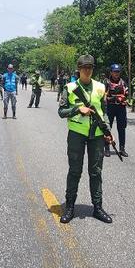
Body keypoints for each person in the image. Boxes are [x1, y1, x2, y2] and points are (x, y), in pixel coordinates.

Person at [58, 55, 114, 224]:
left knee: (96, 171)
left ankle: (97, 207)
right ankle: (69, 207)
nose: (87, 70)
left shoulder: (100, 87)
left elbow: (104, 112)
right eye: (84, 67)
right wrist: (77, 108)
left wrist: (108, 131)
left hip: (96, 135)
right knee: (75, 171)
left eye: (90, 67)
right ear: (79, 69)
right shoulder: (69, 87)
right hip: (76, 134)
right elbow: (61, 112)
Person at [103, 64, 130, 158]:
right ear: (111, 72)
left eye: (118, 71)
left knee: (122, 128)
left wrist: (123, 98)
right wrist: (114, 98)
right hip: (110, 107)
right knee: (107, 128)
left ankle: (122, 149)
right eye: (114, 71)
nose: (116, 73)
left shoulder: (123, 82)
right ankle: (106, 148)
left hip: (121, 108)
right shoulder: (106, 82)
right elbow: (103, 96)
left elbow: (126, 93)